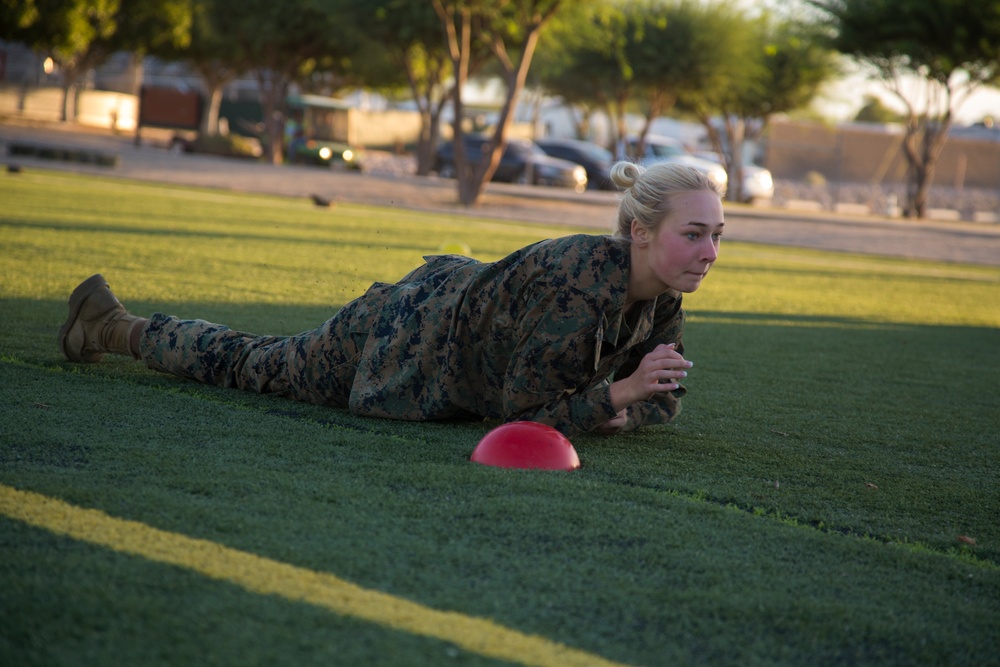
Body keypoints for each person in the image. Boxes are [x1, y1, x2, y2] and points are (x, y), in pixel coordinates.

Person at [58, 161, 724, 437]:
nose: (710, 253)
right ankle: (113, 325)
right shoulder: (578, 281)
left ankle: (113, 325)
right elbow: (521, 417)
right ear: (640, 231)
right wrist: (615, 396)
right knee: (262, 366)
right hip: (408, 325)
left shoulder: (662, 293)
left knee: (262, 364)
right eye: (693, 234)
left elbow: (661, 397)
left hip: (453, 329)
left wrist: (628, 408)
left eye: (716, 235)